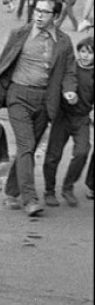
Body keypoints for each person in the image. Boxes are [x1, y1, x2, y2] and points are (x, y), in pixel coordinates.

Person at [0, 0, 78, 216]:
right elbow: (3, 67)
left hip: (45, 101)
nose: (39, 15)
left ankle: (10, 192)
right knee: (25, 145)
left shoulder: (63, 42)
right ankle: (30, 198)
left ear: (55, 16)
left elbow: (69, 71)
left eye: (45, 12)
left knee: (30, 148)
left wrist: (69, 90)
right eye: (37, 10)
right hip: (18, 96)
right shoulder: (19, 35)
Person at [42, 37, 94, 207]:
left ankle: (68, 187)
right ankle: (49, 190)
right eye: (83, 51)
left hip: (82, 118)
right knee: (53, 155)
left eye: (90, 52)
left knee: (82, 151)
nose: (85, 55)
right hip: (63, 116)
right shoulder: (71, 67)